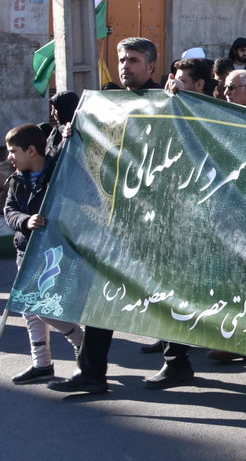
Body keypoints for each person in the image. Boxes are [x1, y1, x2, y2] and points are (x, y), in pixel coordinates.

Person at [49, 37, 195, 393]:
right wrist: (71, 134)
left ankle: (177, 362)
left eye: (132, 60)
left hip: (158, 219)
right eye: (121, 59)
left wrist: (181, 100)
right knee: (101, 293)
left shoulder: (169, 103)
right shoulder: (105, 104)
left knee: (162, 293)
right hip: (113, 218)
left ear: (150, 66)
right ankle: (92, 373)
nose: (125, 65)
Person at [4, 124, 85, 383]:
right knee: (30, 312)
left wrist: (68, 136)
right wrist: (26, 220)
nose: (9, 157)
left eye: (13, 151)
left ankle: (80, 341)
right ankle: (42, 364)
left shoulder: (56, 172)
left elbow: (68, 157)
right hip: (25, 250)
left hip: (53, 253)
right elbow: (10, 211)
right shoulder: (17, 181)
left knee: (43, 307)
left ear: (31, 150)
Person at [44, 90, 80, 159]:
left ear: (65, 108)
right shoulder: (55, 132)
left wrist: (65, 139)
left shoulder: (80, 134)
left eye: (55, 109)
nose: (52, 113)